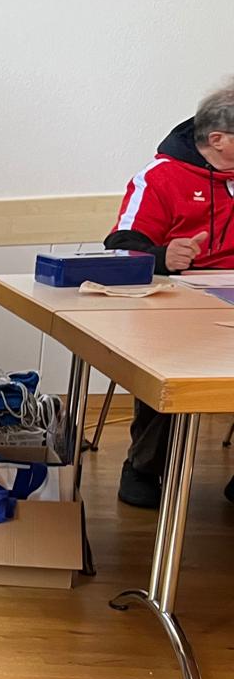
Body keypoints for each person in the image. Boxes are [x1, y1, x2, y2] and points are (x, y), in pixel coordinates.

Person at [103, 82, 234, 508]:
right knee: (168, 364)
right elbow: (121, 246)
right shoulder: (161, 176)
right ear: (219, 139)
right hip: (177, 299)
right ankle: (143, 468)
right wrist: (163, 256)